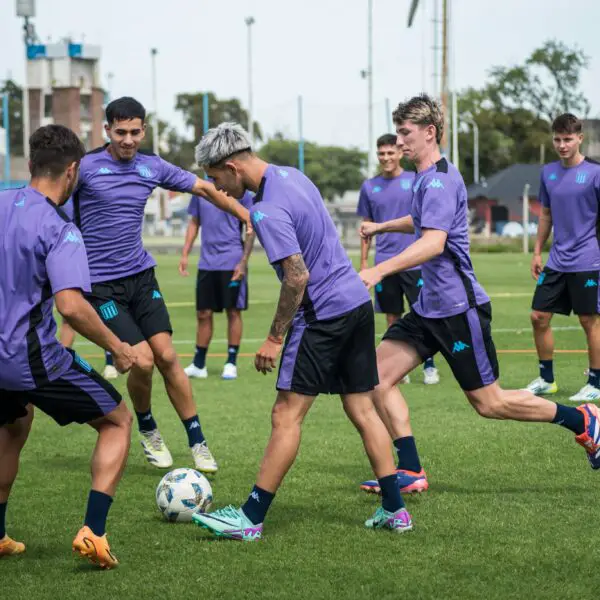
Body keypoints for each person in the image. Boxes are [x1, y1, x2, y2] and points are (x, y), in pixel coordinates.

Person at [357, 94, 600, 495]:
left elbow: (434, 242)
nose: (400, 142)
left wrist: (379, 269)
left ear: (429, 132)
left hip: (457, 308)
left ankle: (583, 420)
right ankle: (412, 469)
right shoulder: (427, 176)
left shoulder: (436, 179)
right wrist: (380, 228)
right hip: (427, 308)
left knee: (489, 404)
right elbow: (421, 221)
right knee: (377, 379)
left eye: (405, 133)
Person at [190, 123, 412, 541]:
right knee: (363, 409)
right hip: (357, 304)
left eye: (217, 179)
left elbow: (296, 277)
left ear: (232, 167)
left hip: (324, 315)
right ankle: (395, 509)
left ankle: (250, 517)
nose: (218, 189)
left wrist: (275, 337)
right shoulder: (292, 174)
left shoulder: (264, 208)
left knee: (286, 414)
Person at [72, 97, 250, 473]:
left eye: (135, 131)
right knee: (143, 360)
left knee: (168, 357)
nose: (128, 140)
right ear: (107, 131)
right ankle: (148, 428)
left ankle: (197, 441)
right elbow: (53, 203)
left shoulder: (151, 166)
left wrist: (247, 215)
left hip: (141, 279)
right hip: (102, 287)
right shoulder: (86, 168)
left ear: (144, 130)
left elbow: (204, 188)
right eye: (120, 132)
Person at [0, 124, 137, 568]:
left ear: (31, 164)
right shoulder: (60, 227)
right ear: (73, 169)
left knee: (13, 427)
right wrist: (118, 346)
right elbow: (72, 307)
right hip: (28, 359)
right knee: (117, 421)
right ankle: (94, 532)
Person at [524, 113, 600, 401]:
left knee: (588, 320)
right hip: (557, 260)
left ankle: (595, 383)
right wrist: (536, 251)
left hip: (588, 259)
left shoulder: (595, 174)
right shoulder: (549, 173)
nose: (562, 145)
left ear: (580, 138)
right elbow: (546, 214)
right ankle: (547, 379)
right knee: (538, 316)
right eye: (557, 139)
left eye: (568, 139)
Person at [358, 133, 440, 386]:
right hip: (383, 263)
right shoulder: (369, 187)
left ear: (399, 153)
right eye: (381, 153)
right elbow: (366, 228)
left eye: (390, 152)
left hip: (414, 261)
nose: (386, 157)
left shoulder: (415, 179)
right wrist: (364, 264)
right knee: (392, 316)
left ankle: (429, 365)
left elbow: (422, 220)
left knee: (422, 312)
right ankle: (399, 368)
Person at [179, 190, 255, 380]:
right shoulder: (200, 191)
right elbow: (194, 222)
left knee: (233, 311)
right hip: (206, 263)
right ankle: (198, 364)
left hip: (232, 261)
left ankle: (231, 362)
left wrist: (243, 261)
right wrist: (185, 254)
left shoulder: (241, 192)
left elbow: (250, 226)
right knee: (203, 313)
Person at [59, 198, 119, 380]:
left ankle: (110, 362)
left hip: (98, 261)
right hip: (71, 259)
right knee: (68, 314)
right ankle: (61, 364)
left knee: (105, 310)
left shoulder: (96, 196)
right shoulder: (62, 199)